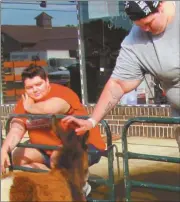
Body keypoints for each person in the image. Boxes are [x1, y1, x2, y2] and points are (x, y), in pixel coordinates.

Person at [62, 1, 180, 151]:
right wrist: (92, 121)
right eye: (140, 25)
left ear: (161, 5)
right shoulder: (136, 40)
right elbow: (117, 85)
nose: (145, 29)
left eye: (149, 23)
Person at [1, 64, 106, 196]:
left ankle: (80, 187)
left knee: (59, 157)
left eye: (38, 84)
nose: (35, 90)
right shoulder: (26, 102)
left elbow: (51, 109)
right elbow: (17, 128)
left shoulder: (62, 93)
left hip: (86, 147)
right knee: (18, 156)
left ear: (47, 82)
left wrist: (30, 108)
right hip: (48, 150)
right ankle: (56, 184)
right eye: (29, 87)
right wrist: (4, 149)